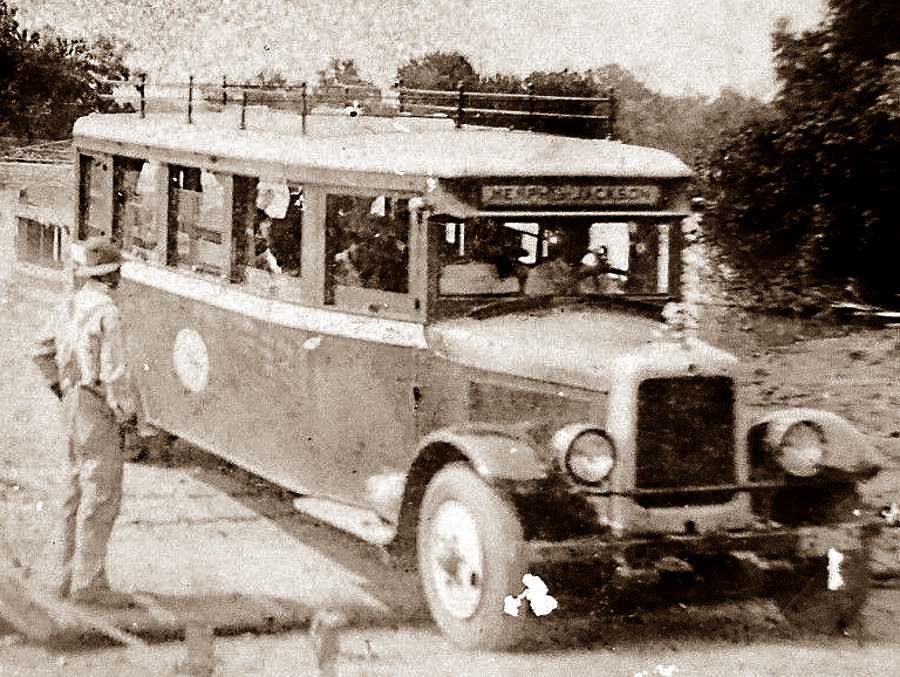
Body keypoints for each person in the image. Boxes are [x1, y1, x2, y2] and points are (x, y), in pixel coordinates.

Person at [32, 237, 138, 606]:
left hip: (73, 401)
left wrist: (61, 390)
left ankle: (62, 578)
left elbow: (41, 350)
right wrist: (127, 418)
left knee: (74, 490)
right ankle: (89, 584)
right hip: (96, 404)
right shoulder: (108, 312)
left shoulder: (69, 305)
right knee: (102, 492)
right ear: (114, 275)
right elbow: (114, 373)